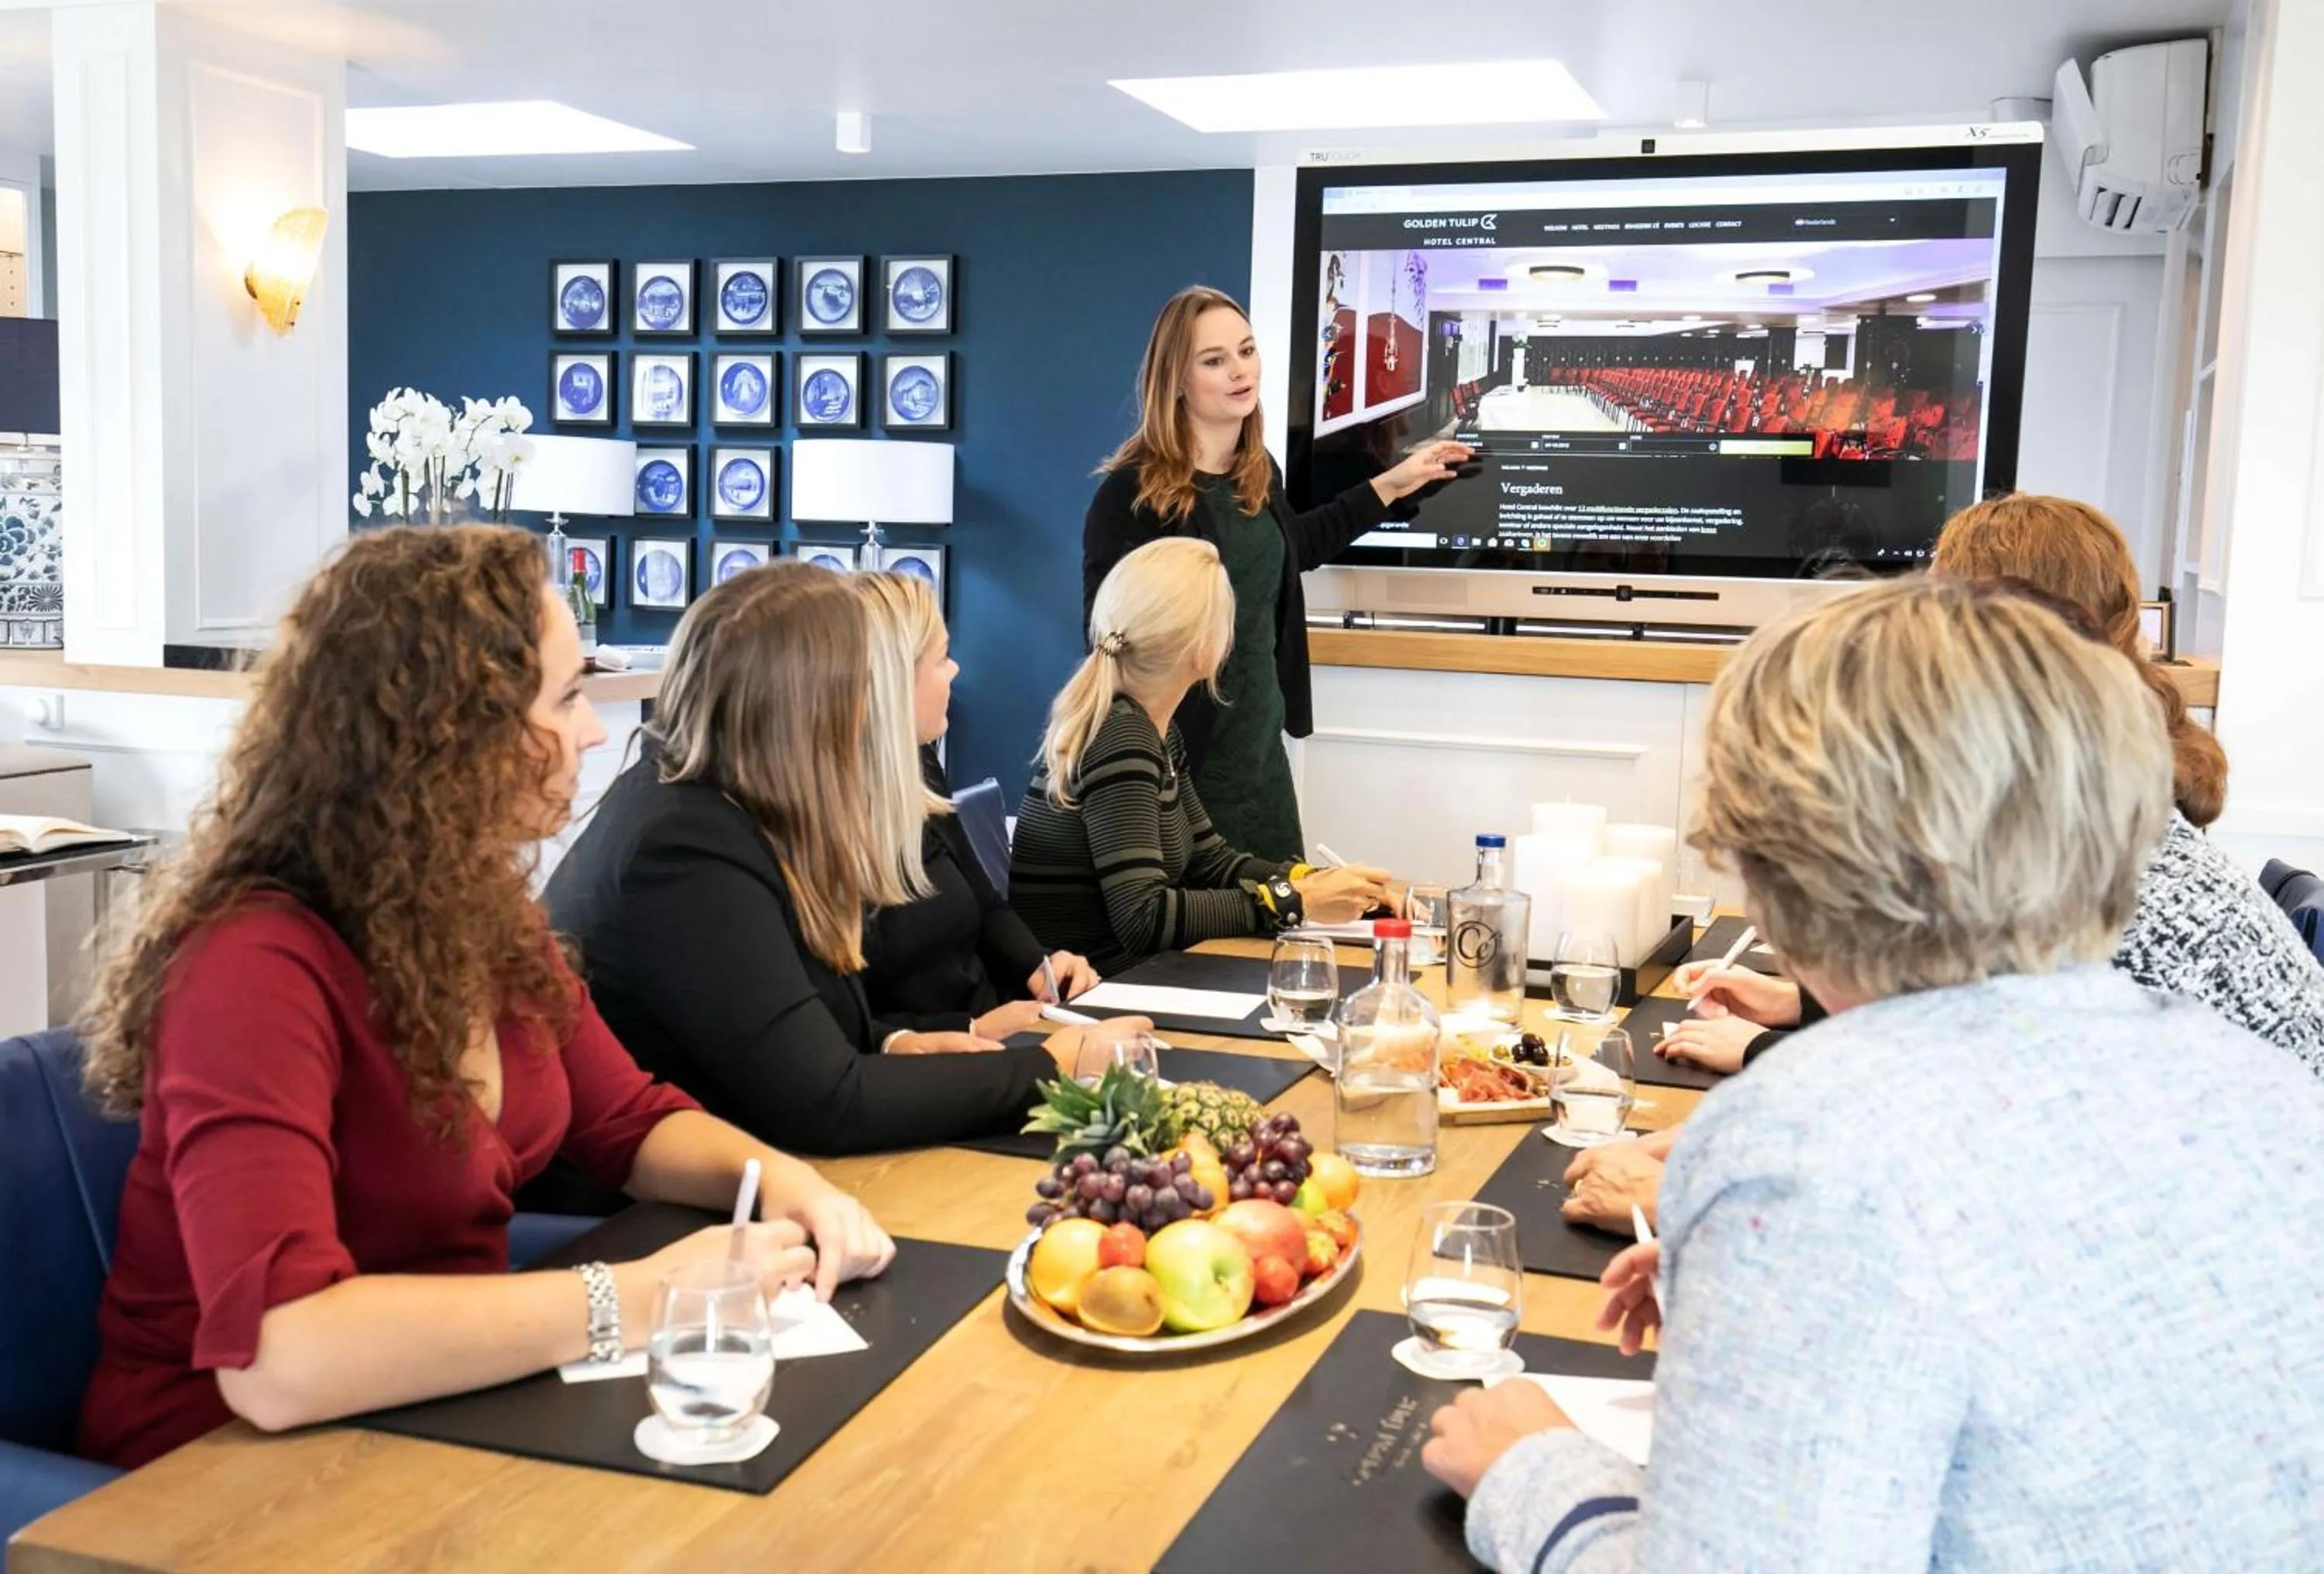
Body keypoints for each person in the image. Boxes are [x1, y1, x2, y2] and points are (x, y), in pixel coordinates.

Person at [1423, 575, 2324, 1570]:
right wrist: (1765, 1306)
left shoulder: (1808, 1144)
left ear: (1779, 854)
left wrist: (1532, 1470)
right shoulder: (2268, 1089)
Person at [77, 526, 892, 1472]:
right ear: (453, 735)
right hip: (211, 1470)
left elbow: (627, 1120)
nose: (593, 731)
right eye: (570, 697)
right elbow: (280, 1359)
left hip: (434, 1418)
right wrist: (640, 1294)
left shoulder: (475, 906)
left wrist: (796, 1186)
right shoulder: (252, 964)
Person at [544, 559, 1150, 1158]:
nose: (869, 715)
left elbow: (784, 1035)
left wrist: (897, 1043)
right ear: (806, 703)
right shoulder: (684, 843)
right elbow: (824, 1103)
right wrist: (1051, 1067)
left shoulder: (728, 807)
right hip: (641, 1216)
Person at [1082, 284, 1472, 860]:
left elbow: (1295, 548)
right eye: (1214, 361)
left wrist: (1395, 484)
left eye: (1246, 350)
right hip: (1180, 762)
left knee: (1274, 924)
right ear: (1177, 381)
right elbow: (1106, 650)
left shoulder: (1257, 470)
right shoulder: (1131, 496)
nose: (1241, 371)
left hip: (1259, 755)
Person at [1013, 536, 1392, 973]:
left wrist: (1317, 883)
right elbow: (1144, 917)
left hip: (1127, 977)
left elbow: (1210, 861)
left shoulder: (1154, 731)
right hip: (1098, 992)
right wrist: (1297, 901)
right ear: (1202, 648)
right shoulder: (1122, 738)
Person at [854, 570, 1101, 1033]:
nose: (955, 670)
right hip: (942, 1062)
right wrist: (975, 1030)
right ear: (894, 679)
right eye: (942, 657)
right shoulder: (824, 817)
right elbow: (851, 1024)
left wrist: (1041, 967)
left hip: (998, 1027)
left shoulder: (919, 764)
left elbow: (985, 900)